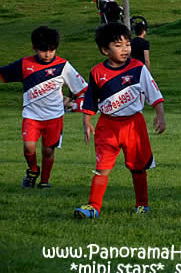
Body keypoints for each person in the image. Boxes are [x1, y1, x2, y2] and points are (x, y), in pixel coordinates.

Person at [74, 23, 166, 219]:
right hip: (107, 126)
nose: (125, 49)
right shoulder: (97, 72)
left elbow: (154, 94)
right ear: (105, 50)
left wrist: (160, 115)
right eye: (118, 45)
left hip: (134, 125)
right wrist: (87, 121)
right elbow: (91, 99)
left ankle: (142, 205)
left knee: (138, 167)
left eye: (127, 44)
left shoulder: (138, 68)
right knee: (102, 168)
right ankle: (93, 207)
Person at [0, 26, 88, 188]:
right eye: (43, 50)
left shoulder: (63, 66)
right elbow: (2, 74)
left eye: (52, 50)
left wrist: (71, 100)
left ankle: (45, 181)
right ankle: (33, 170)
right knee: (29, 146)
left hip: (54, 117)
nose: (47, 54)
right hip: (31, 115)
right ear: (34, 48)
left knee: (48, 151)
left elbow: (82, 88)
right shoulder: (25, 64)